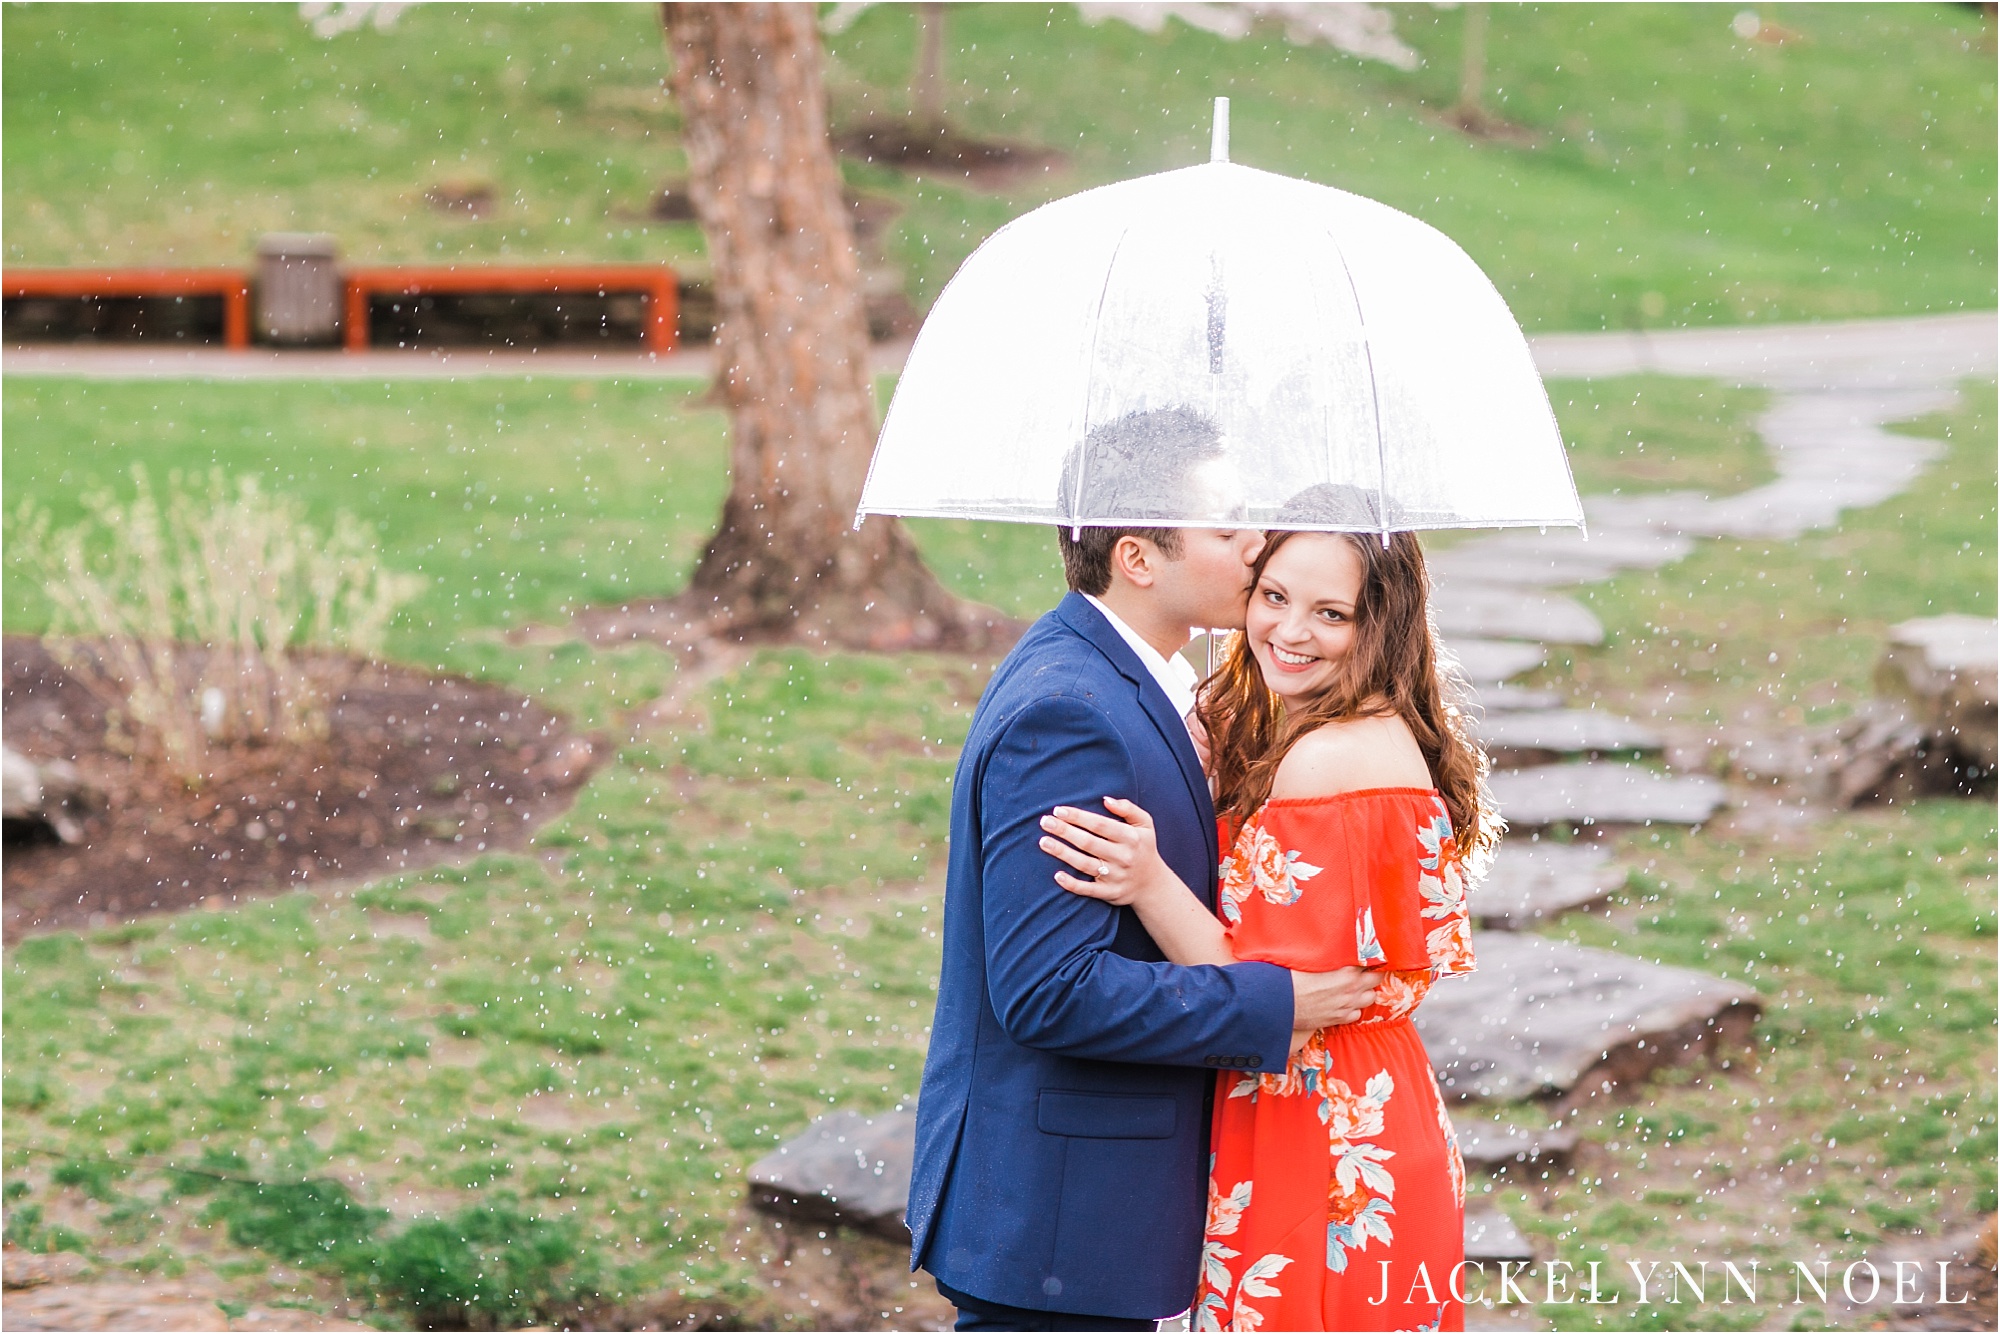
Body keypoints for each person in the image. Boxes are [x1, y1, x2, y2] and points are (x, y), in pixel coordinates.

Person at [908, 412, 1384, 1332]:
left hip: (1088, 1211)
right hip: (1058, 1218)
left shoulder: (1133, 684)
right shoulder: (1070, 715)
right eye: (1226, 526)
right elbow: (1049, 991)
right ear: (1138, 557)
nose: (1257, 544)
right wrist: (1273, 1007)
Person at [1040, 523, 1495, 1332]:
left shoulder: (1333, 759)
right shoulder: (1317, 724)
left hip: (1318, 1118)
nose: (1289, 631)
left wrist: (1147, 880)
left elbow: (1257, 991)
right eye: (1274, 597)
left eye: (1331, 614)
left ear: (1379, 627)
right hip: (1351, 1097)